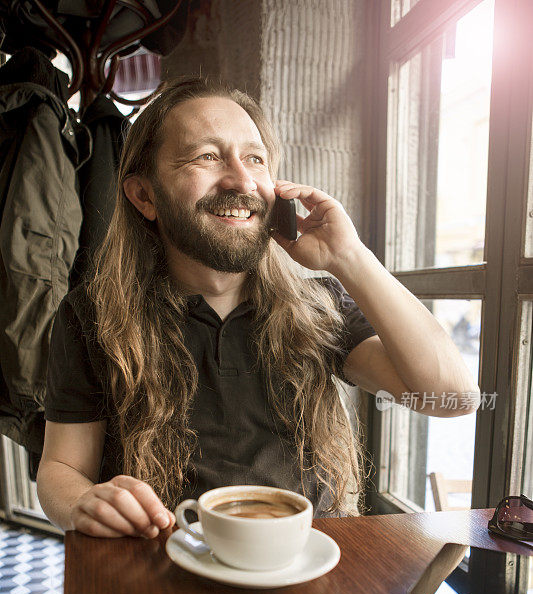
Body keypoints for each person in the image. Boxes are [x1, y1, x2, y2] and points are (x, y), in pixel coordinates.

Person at [36, 77, 480, 539]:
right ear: (145, 196)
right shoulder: (93, 316)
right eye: (206, 157)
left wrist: (350, 258)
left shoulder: (320, 307)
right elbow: (61, 468)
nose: (242, 179)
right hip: (163, 567)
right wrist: (83, 502)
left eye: (255, 158)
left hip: (301, 569)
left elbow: (453, 397)